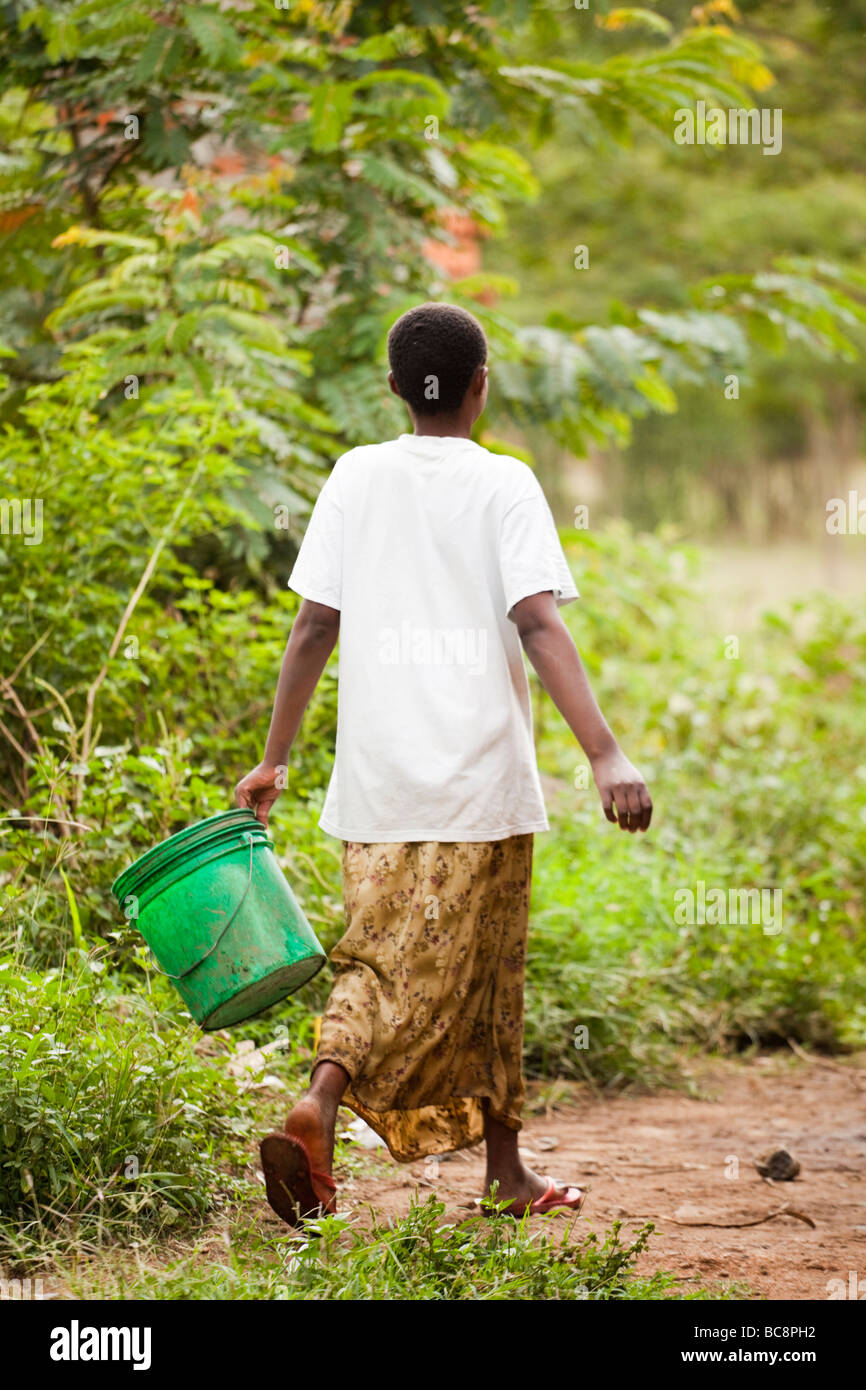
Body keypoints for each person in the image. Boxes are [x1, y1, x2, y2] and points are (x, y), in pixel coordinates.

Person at [234, 302, 652, 1225]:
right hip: (481, 784)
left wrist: (274, 760)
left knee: (374, 960)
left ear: (392, 387)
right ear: (481, 386)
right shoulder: (505, 485)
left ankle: (346, 1108)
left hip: (378, 785)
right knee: (488, 973)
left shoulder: (356, 475)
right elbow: (538, 621)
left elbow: (312, 625)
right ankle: (458, 1153)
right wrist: (604, 751)